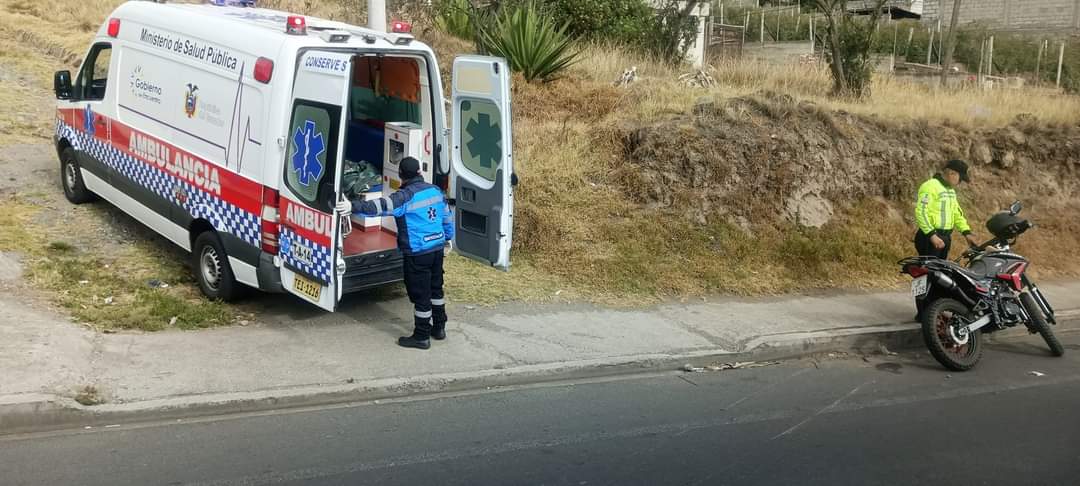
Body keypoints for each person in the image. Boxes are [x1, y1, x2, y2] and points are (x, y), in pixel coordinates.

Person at [337, 157, 453, 350]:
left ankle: (421, 336)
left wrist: (351, 207)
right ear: (419, 172)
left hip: (418, 253)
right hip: (437, 248)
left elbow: (377, 207)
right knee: (436, 290)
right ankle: (439, 328)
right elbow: (447, 218)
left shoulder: (404, 197)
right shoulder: (435, 191)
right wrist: (447, 237)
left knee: (421, 295)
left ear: (400, 176)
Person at [914, 159, 979, 259]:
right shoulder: (930, 186)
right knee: (930, 272)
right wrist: (932, 235)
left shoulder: (950, 191)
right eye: (960, 179)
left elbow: (956, 214)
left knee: (940, 272)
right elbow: (921, 212)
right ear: (951, 173)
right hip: (929, 237)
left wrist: (966, 233)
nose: (960, 182)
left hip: (945, 238)